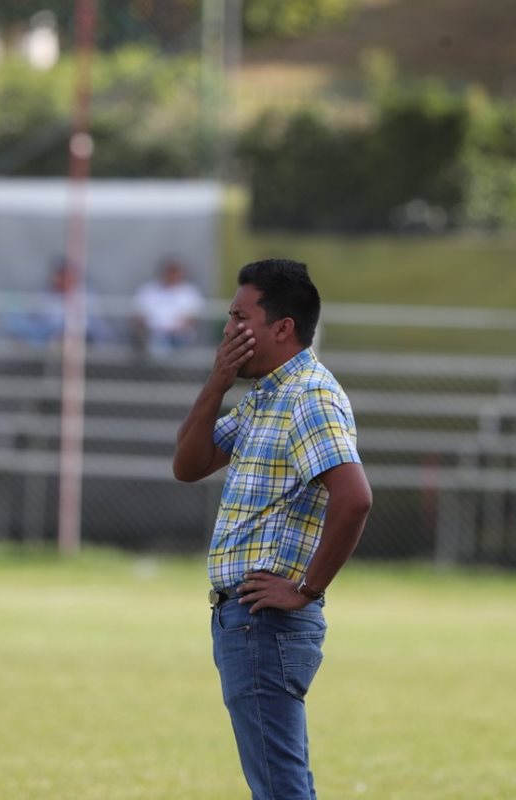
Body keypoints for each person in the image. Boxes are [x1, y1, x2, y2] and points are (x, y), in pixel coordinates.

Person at [173, 258, 373, 799]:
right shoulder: (266, 394)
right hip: (246, 622)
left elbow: (354, 498)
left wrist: (306, 589)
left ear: (282, 327)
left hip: (264, 623)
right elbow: (188, 464)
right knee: (280, 785)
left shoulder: (308, 395)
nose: (228, 330)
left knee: (281, 789)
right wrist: (217, 382)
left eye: (240, 317)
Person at [6, 258, 112, 347]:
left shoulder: (86, 295)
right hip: (49, 341)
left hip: (84, 340)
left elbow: (97, 326)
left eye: (66, 276)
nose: (60, 280)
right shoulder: (44, 295)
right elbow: (36, 325)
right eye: (59, 276)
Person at [132, 257, 205, 356]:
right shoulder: (148, 290)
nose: (171, 275)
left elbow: (192, 319)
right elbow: (139, 316)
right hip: (151, 335)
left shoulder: (190, 292)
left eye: (174, 272)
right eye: (169, 272)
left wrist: (173, 331)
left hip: (179, 337)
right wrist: (153, 330)